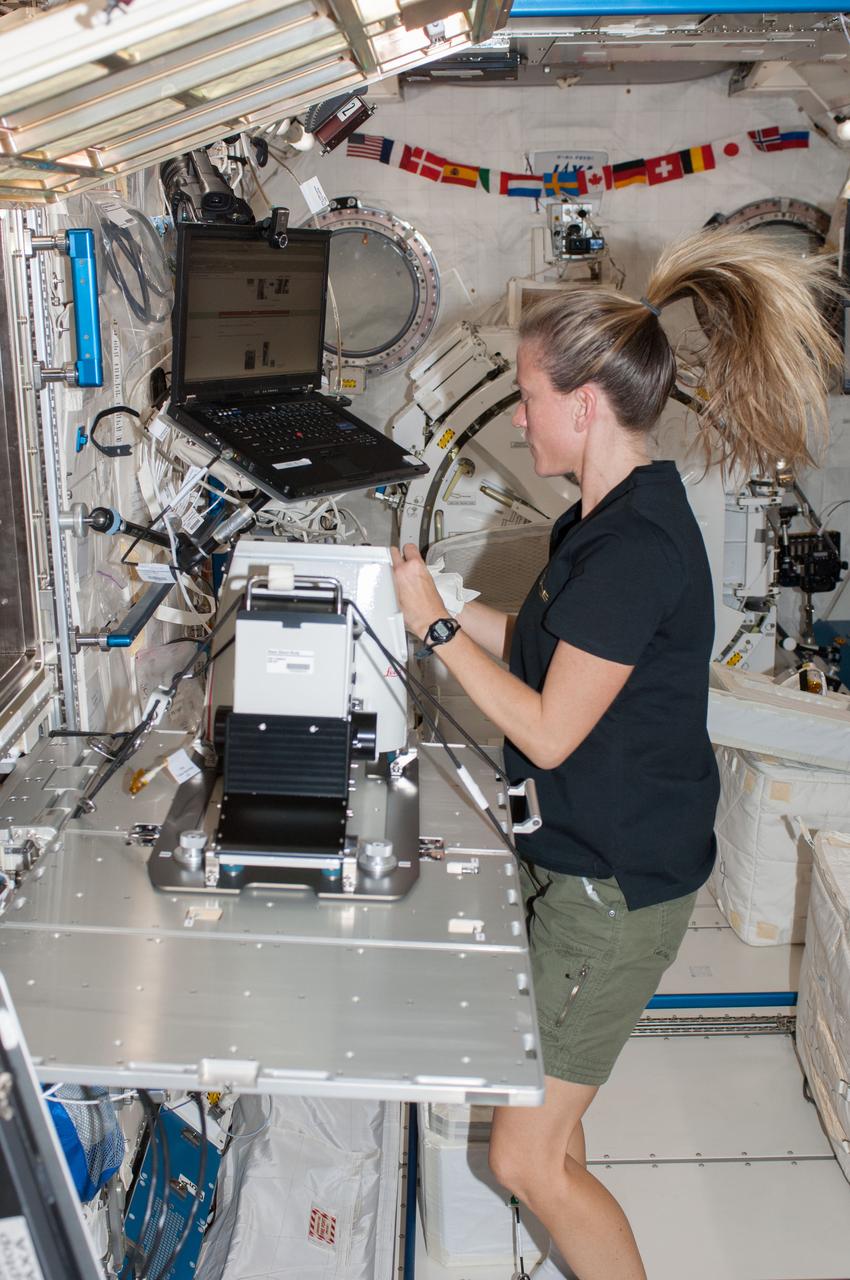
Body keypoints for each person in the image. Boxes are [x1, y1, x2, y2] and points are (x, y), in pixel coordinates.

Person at [390, 225, 840, 1280]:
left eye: (529, 396)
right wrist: (439, 601)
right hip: (582, 853)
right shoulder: (605, 518)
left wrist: (436, 631)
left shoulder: (633, 548)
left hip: (616, 889)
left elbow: (550, 726)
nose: (519, 415)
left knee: (523, 1155)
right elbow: (549, 643)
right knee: (546, 1122)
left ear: (584, 404)